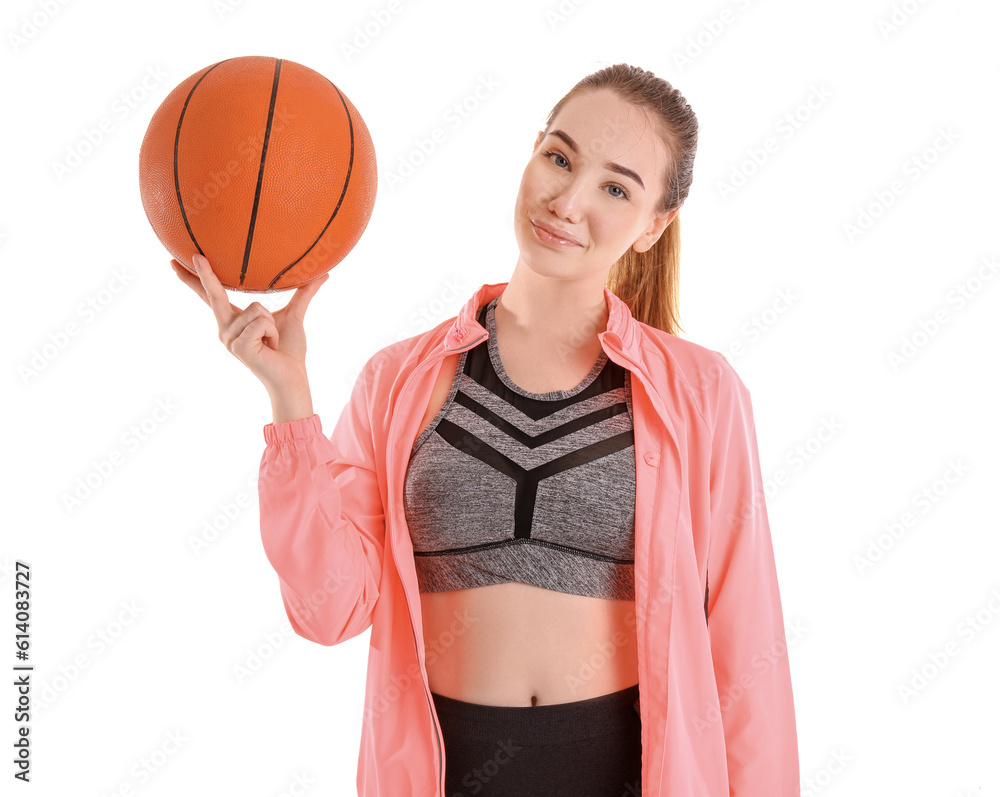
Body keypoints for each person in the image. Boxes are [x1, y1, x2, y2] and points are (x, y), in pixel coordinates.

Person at [172, 63, 800, 797]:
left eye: (616, 187)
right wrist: (290, 400)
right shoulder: (399, 379)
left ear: (652, 224)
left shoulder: (700, 391)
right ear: (532, 152)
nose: (568, 202)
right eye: (559, 158)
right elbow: (327, 608)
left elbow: (745, 641)